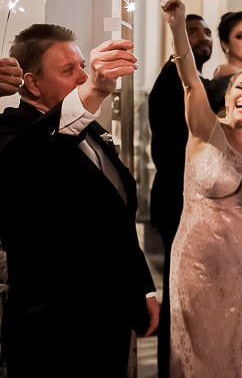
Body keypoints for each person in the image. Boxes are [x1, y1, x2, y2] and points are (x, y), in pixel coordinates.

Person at [148, 13, 242, 378]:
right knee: (199, 358)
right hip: (197, 265)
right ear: (227, 94)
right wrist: (176, 26)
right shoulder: (205, 130)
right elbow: (190, 82)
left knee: (236, 353)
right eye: (240, 87)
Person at [0, 27, 158, 376]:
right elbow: (34, 154)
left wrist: (143, 287)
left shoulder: (92, 130)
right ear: (33, 83)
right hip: (52, 328)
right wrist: (92, 92)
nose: (83, 77)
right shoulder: (10, 134)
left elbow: (118, 218)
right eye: (68, 70)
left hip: (108, 319)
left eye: (83, 66)